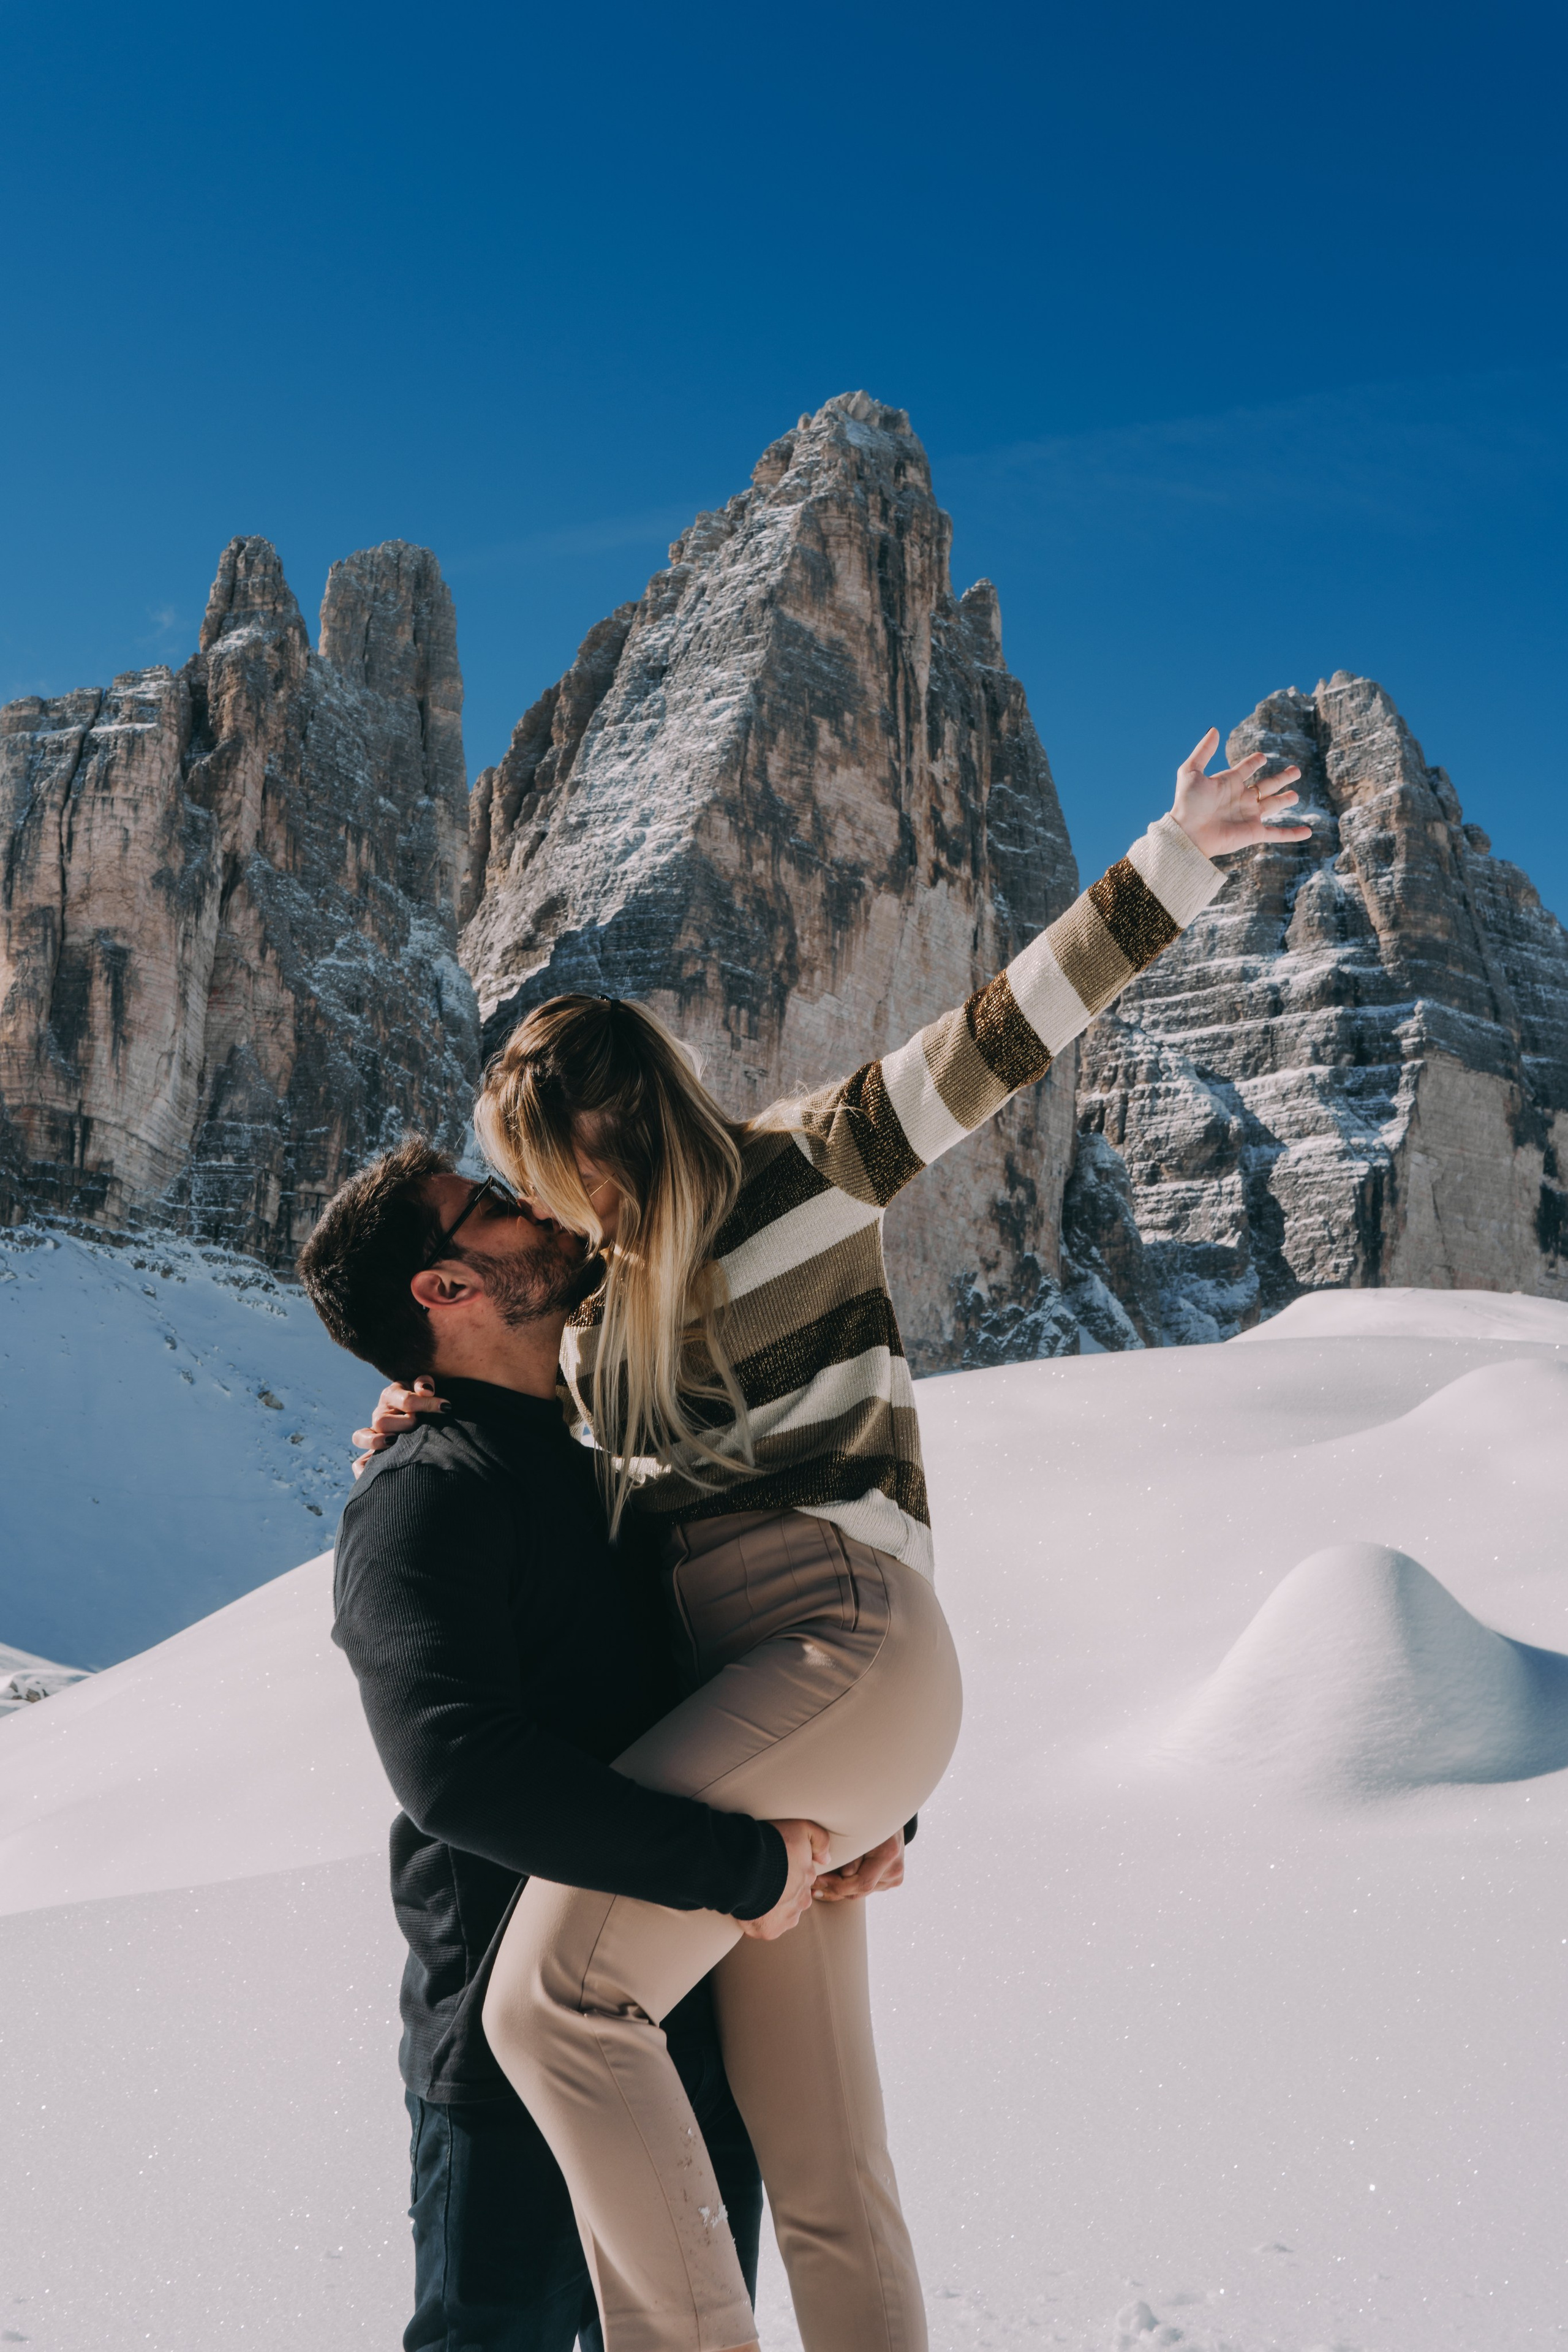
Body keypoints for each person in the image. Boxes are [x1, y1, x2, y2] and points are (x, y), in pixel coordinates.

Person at [358, 736, 1309, 2352]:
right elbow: (547, 1463)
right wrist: (420, 1407)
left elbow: (1003, 1032)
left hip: (834, 1641)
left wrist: (1179, 856)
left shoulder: (811, 1161)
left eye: (554, 1178)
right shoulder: (595, 1320)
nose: (557, 1216)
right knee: (820, 2160)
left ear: (606, 1136)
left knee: (560, 2003)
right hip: (773, 1711)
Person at [298, 1142, 851, 2351]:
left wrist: (860, 1823)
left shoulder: (616, 1463)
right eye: (491, 1208)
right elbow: (455, 1766)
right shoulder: (422, 1497)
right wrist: (742, 1869)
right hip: (516, 2065)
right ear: (444, 1292)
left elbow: (740, 1670)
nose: (533, 1208)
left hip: (690, 2028)